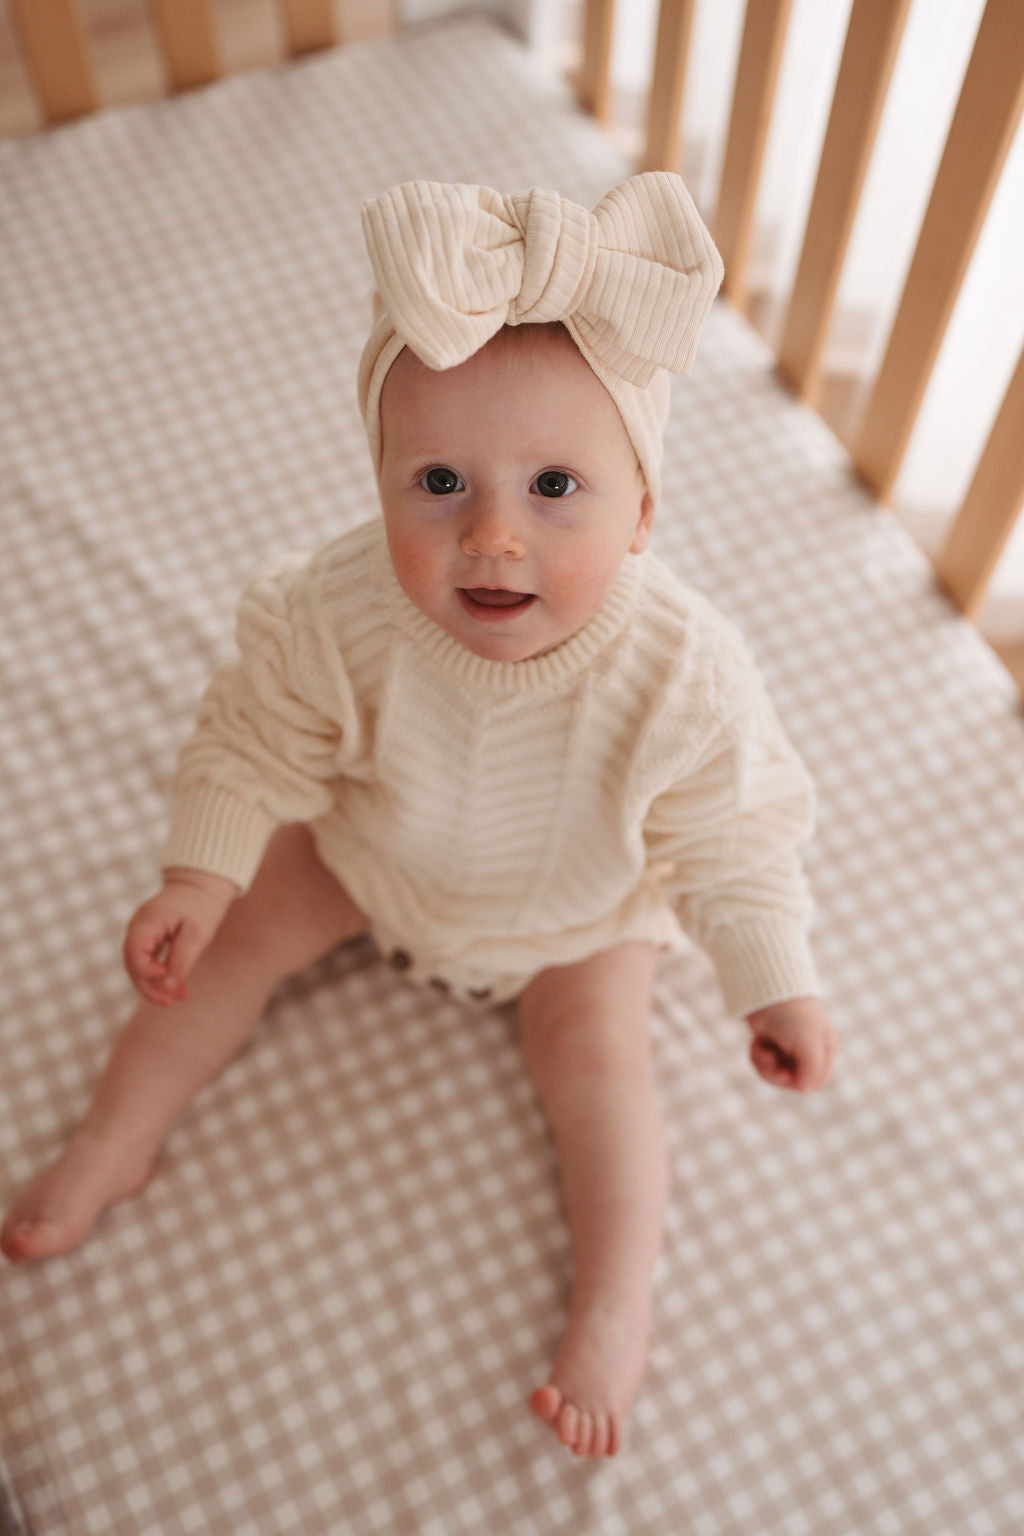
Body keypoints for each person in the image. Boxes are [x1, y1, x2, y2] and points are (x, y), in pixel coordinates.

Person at [1, 174, 839, 1458]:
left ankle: (615, 1304)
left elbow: (730, 834)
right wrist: (201, 876)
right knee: (217, 960)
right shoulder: (336, 610)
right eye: (438, 481)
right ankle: (116, 1138)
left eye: (556, 487)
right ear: (378, 480)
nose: (492, 537)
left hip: (579, 910)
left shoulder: (685, 669)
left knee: (603, 1072)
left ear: (645, 511)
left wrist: (768, 980)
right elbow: (252, 733)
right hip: (366, 850)